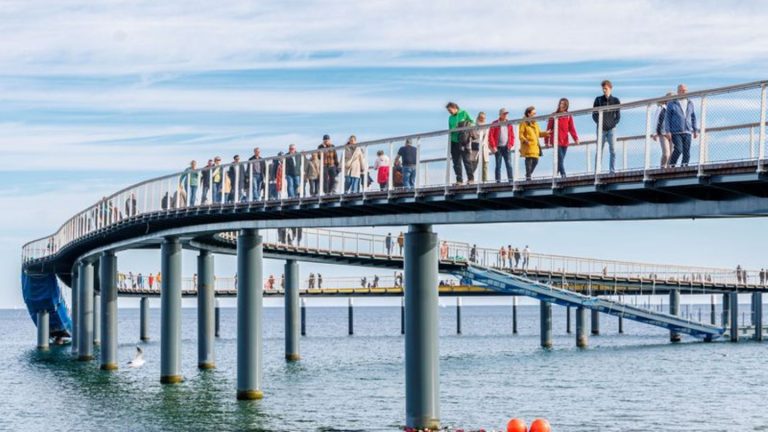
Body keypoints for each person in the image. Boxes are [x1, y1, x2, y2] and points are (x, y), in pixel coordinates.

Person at [663, 84, 699, 167]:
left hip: (688, 131)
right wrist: (667, 131)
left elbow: (693, 117)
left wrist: (695, 130)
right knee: (678, 149)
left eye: (685, 91)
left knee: (687, 152)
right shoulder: (672, 103)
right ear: (678, 92)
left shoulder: (690, 103)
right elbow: (667, 118)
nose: (683, 92)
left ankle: (684, 167)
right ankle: (671, 165)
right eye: (681, 91)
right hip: (676, 131)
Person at [546, 98, 579, 178]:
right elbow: (548, 129)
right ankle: (563, 176)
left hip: (565, 141)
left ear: (566, 105)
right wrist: (547, 141)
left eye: (563, 104)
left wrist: (576, 138)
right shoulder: (554, 115)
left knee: (560, 160)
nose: (562, 105)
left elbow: (571, 128)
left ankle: (555, 173)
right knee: (560, 159)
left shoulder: (568, 115)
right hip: (556, 140)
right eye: (561, 103)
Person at [592, 80, 621, 173]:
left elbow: (618, 116)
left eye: (606, 89)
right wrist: (600, 123)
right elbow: (594, 114)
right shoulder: (598, 100)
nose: (604, 91)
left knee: (613, 150)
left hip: (612, 129)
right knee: (599, 150)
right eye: (603, 89)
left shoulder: (616, 100)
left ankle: (612, 171)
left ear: (610, 88)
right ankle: (597, 171)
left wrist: (613, 124)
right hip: (601, 129)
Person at [446, 102, 474, 184]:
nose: (449, 112)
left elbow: (472, 122)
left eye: (450, 110)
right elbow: (450, 129)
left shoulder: (464, 113)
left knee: (466, 160)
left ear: (454, 107)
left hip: (463, 141)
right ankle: (459, 180)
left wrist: (464, 126)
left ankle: (471, 179)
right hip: (454, 141)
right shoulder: (450, 118)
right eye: (448, 111)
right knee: (456, 162)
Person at [519, 106, 550, 180]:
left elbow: (539, 133)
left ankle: (528, 175)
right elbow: (520, 134)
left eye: (535, 113)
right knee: (529, 161)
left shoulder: (535, 123)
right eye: (533, 113)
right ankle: (528, 177)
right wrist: (525, 140)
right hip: (528, 145)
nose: (535, 115)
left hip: (535, 146)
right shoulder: (523, 122)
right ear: (529, 114)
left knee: (536, 161)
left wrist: (546, 133)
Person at [488, 108, 515, 183]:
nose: (506, 115)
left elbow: (512, 135)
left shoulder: (509, 123)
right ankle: (498, 182)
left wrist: (511, 144)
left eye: (506, 114)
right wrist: (493, 147)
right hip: (498, 148)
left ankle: (511, 181)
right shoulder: (495, 123)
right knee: (498, 165)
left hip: (507, 147)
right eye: (504, 114)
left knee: (509, 164)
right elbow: (491, 136)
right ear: (500, 115)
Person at [652, 93, 674, 168]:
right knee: (666, 154)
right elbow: (656, 120)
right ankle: (662, 168)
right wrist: (654, 133)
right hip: (663, 133)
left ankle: (669, 169)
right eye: (670, 99)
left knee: (671, 154)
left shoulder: (674, 108)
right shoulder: (661, 108)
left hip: (673, 133)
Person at [474, 112, 490, 183]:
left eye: (484, 118)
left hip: (484, 147)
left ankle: (485, 180)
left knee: (485, 163)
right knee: (474, 163)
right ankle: (470, 179)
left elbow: (488, 137)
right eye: (481, 117)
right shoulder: (475, 126)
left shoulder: (487, 126)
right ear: (478, 117)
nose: (482, 119)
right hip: (476, 146)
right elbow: (474, 135)